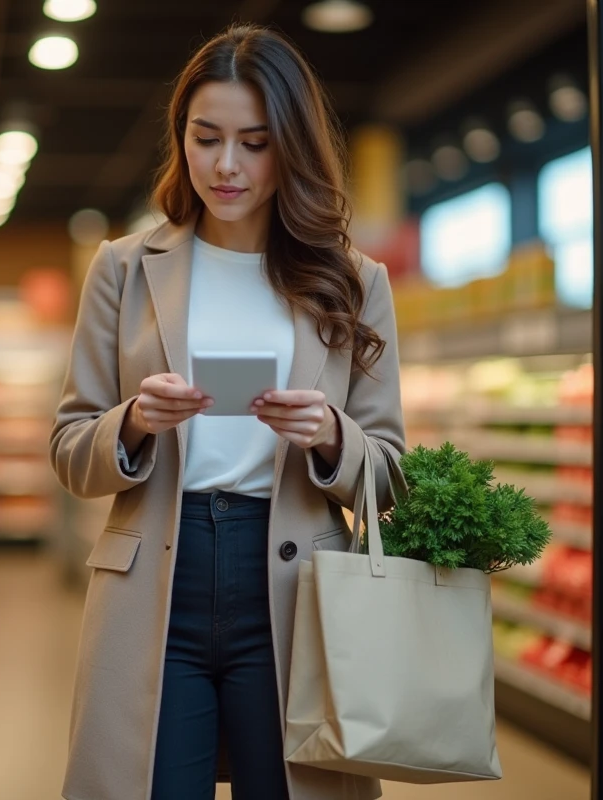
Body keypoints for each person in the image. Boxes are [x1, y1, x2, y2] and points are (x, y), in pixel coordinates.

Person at [50, 23, 405, 800]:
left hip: (293, 583)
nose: (226, 165)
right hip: (155, 579)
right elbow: (70, 447)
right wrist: (136, 421)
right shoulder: (123, 269)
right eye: (206, 138)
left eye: (254, 142)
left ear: (293, 147)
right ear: (181, 137)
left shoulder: (352, 279)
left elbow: (391, 473)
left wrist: (331, 438)